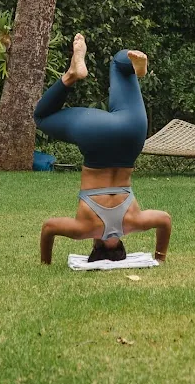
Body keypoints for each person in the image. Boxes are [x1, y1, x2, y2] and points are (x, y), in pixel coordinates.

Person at [35, 34, 172, 264]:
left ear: (122, 246)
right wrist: (45, 263)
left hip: (132, 133)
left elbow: (165, 220)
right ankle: (71, 76)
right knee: (41, 116)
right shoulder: (85, 229)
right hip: (94, 134)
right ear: (94, 248)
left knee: (119, 64)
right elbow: (49, 228)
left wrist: (160, 257)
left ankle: (133, 65)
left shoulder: (134, 221)